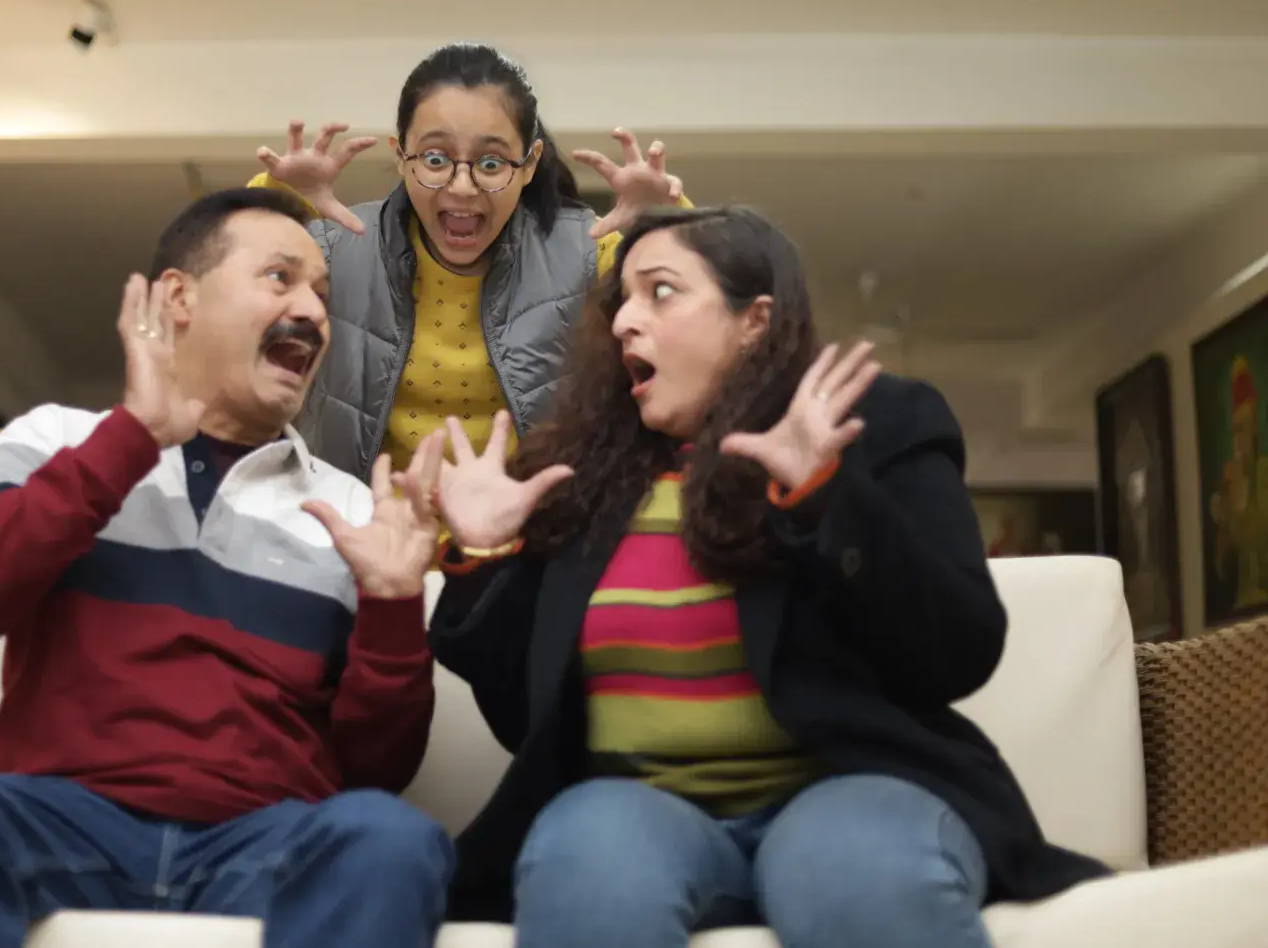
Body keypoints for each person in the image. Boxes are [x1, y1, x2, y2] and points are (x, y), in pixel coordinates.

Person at [424, 206, 1110, 947]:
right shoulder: (580, 479)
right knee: (590, 868)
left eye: (659, 292)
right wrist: (484, 558)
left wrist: (824, 494)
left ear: (754, 321)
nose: (625, 320)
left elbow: (957, 650)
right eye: (620, 299)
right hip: (632, 809)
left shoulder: (877, 424)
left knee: (853, 875)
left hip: (847, 793)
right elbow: (525, 721)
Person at [0, 188, 455, 948]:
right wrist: (128, 442)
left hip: (260, 843)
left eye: (323, 294)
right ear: (180, 297)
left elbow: (377, 770)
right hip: (65, 825)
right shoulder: (59, 439)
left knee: (390, 838)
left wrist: (395, 601)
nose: (315, 312)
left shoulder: (351, 509)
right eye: (281, 278)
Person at [249, 41, 690, 481]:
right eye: (435, 158)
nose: (462, 187)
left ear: (530, 163)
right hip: (368, 530)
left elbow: (696, 310)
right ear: (400, 155)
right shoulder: (334, 250)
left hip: (539, 535)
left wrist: (663, 221)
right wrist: (281, 198)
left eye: (492, 162)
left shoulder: (585, 250)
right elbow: (228, 284)